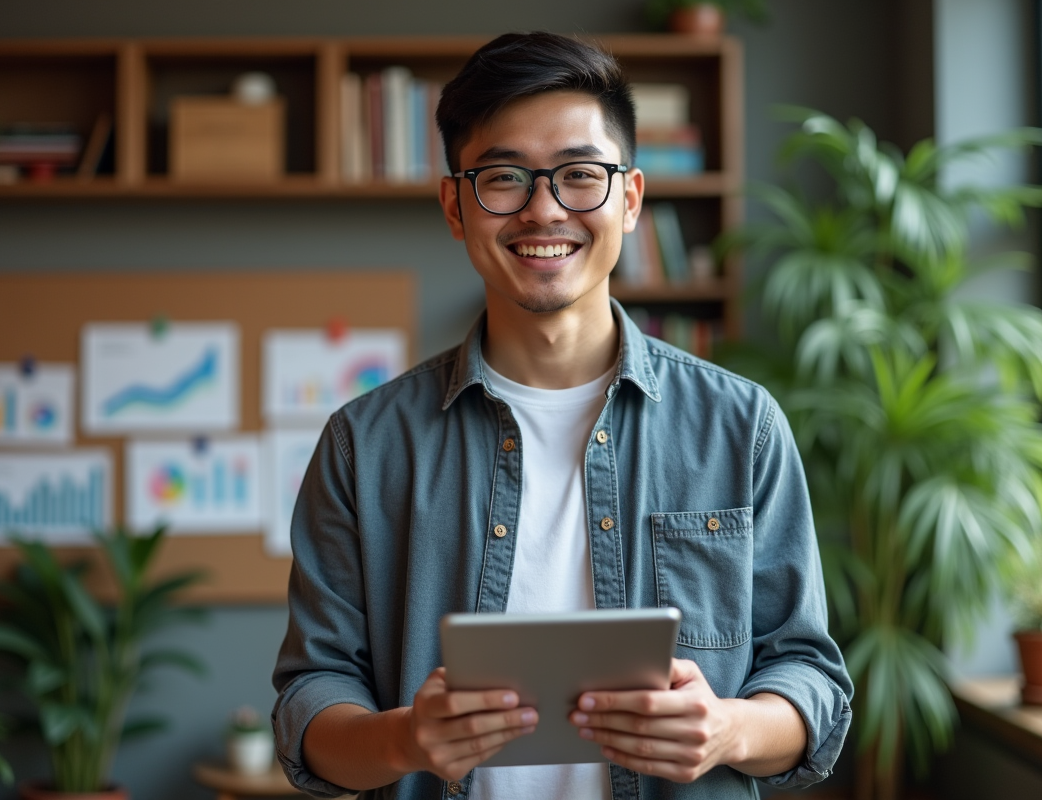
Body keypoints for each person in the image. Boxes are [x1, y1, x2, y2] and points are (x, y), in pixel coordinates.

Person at [272, 31, 852, 800]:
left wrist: (729, 729)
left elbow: (810, 677)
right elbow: (311, 702)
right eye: (504, 177)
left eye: (580, 175)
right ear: (455, 205)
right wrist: (406, 736)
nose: (544, 210)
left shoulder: (741, 426)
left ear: (631, 199)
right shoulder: (364, 445)